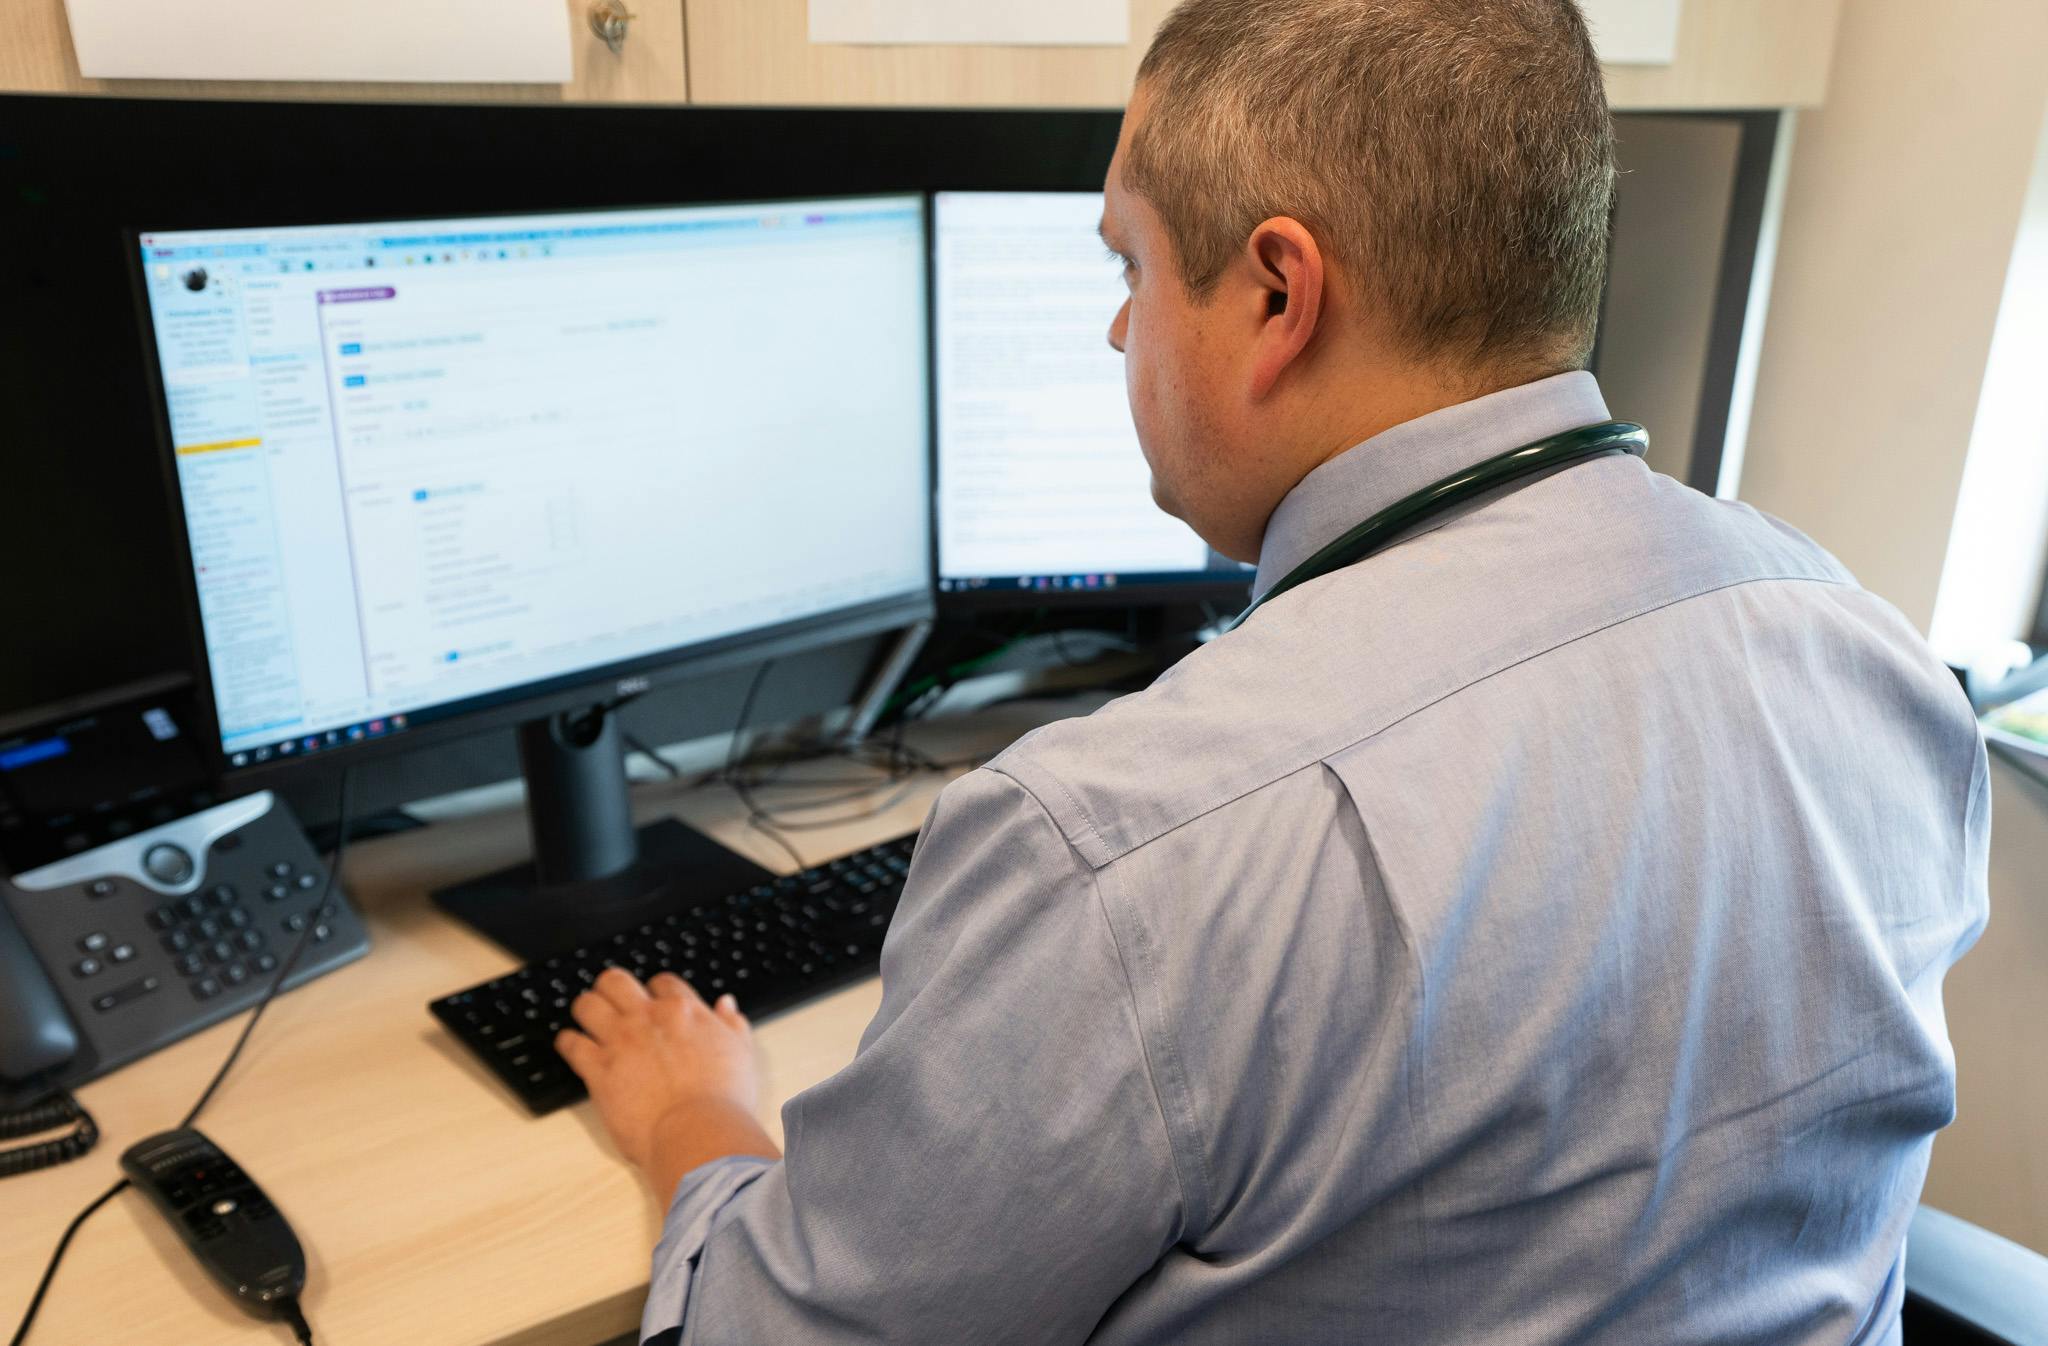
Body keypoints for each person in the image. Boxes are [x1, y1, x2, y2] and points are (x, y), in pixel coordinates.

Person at [555, 1, 1990, 1341]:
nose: (1121, 325)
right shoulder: (1874, 664)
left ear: (1276, 296)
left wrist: (703, 1121)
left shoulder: (1120, 854)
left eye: (1131, 263)